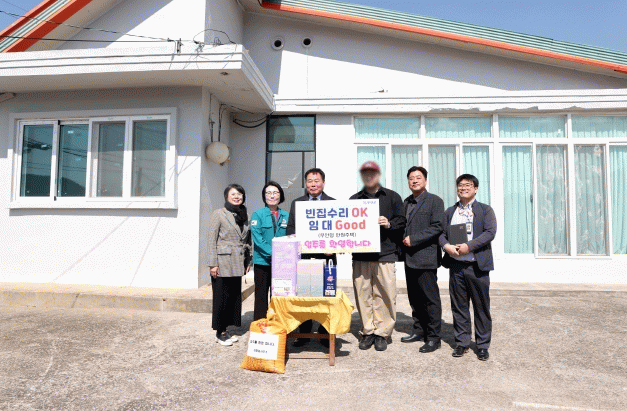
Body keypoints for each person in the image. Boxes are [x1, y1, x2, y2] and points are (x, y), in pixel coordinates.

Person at [439, 174, 497, 361]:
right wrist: (446, 246)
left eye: (468, 185)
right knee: (459, 306)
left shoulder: (485, 210)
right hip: (456, 266)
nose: (463, 188)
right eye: (460, 185)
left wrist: (469, 246)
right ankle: (462, 342)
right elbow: (440, 233)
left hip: (477, 266)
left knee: (481, 307)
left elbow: (490, 232)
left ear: (476, 189)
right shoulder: (450, 212)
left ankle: (482, 345)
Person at [350, 161, 406, 352]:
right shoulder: (354, 199)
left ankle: (382, 333)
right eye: (365, 173)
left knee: (386, 294)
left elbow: (402, 221)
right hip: (361, 255)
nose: (369, 176)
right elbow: (346, 226)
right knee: (363, 294)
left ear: (378, 175)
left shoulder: (392, 197)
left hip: (385, 253)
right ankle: (367, 331)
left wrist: (389, 224)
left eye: (372, 173)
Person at [286, 167, 335, 347]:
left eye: (316, 181)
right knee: (304, 296)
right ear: (305, 184)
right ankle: (304, 333)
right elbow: (290, 227)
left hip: (327, 258)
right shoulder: (297, 203)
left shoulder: (333, 203)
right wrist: (293, 236)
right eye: (309, 181)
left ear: (323, 183)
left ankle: (324, 333)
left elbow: (338, 231)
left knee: (326, 296)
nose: (313, 184)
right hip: (304, 258)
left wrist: (333, 247)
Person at [400, 166, 445, 353]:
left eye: (418, 177)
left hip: (426, 257)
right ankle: (419, 330)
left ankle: (434, 337)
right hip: (409, 258)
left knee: (430, 299)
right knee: (414, 298)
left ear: (425, 180)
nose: (415, 181)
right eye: (411, 178)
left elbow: (438, 226)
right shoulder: (406, 202)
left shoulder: (435, 201)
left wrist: (414, 239)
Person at [207, 184, 252, 346]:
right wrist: (213, 264)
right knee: (221, 298)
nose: (237, 196)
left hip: (238, 261)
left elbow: (248, 239)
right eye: (233, 194)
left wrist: (248, 260)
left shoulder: (244, 215)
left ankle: (227, 330)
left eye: (240, 194)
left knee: (233, 298)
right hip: (222, 262)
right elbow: (211, 240)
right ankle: (219, 332)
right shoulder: (219, 214)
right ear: (226, 196)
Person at [250, 181, 289, 321]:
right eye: (268, 193)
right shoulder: (257, 214)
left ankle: (278, 324)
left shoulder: (286, 215)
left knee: (279, 296)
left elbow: (290, 237)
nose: (272, 196)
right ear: (264, 196)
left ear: (280, 195)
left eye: (275, 193)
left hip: (282, 263)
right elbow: (258, 238)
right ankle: (260, 325)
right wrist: (274, 253)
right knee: (261, 296)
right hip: (262, 262)